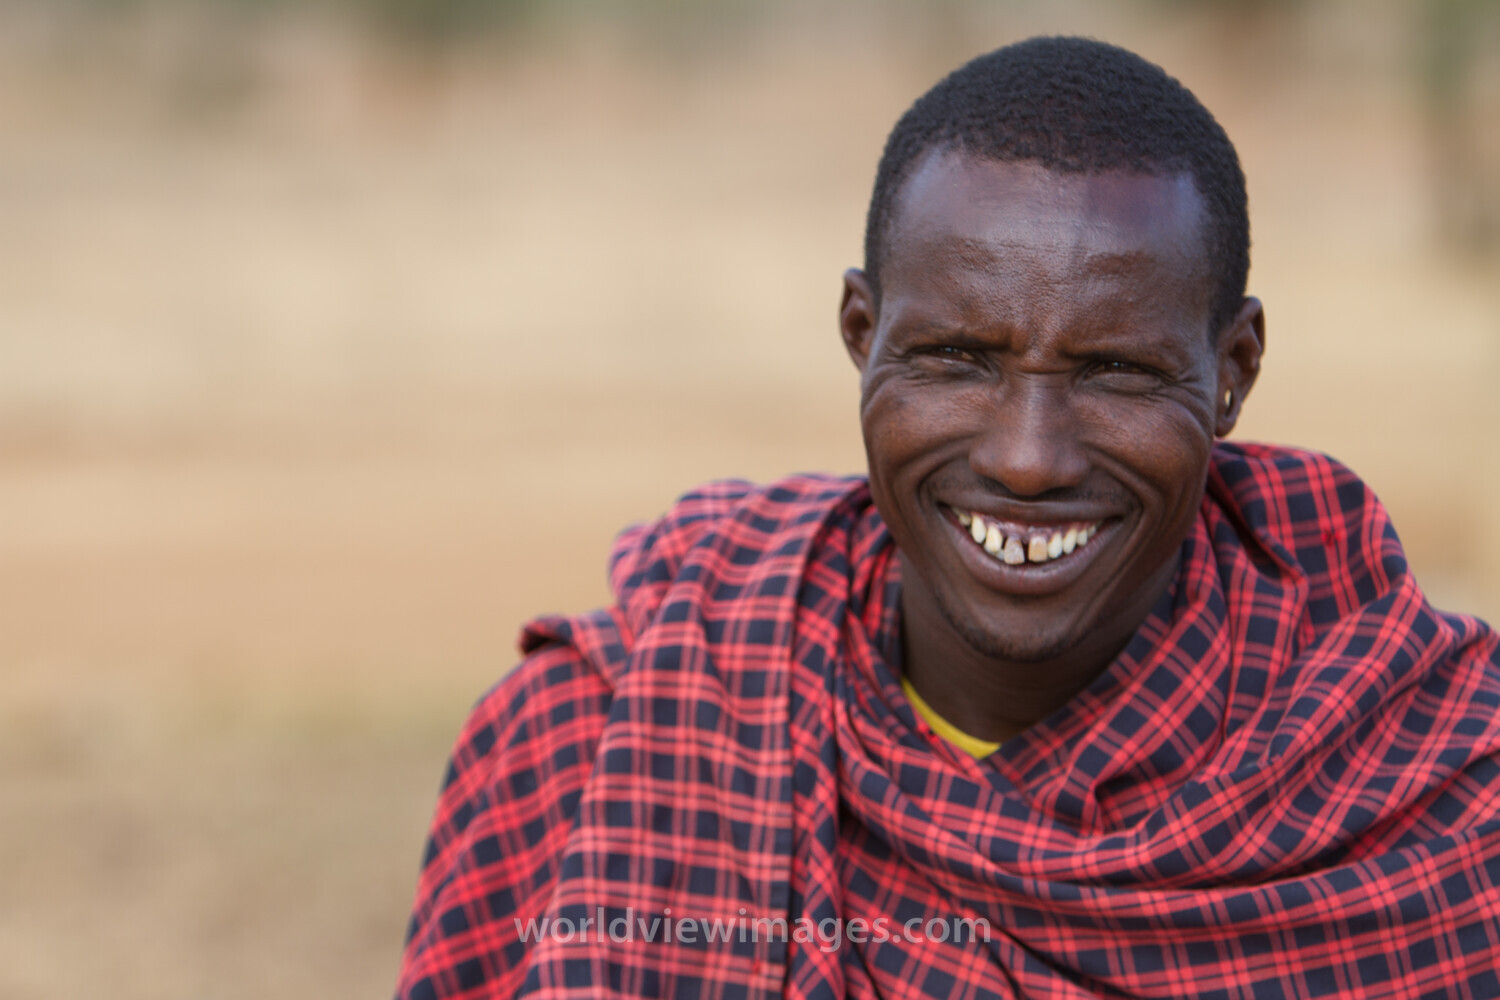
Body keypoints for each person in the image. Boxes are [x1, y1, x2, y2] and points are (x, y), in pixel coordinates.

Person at [394, 37, 1500, 999]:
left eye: (1115, 371)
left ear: (1233, 372)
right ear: (859, 332)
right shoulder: (591, 743)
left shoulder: (1437, 803)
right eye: (957, 360)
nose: (1027, 458)